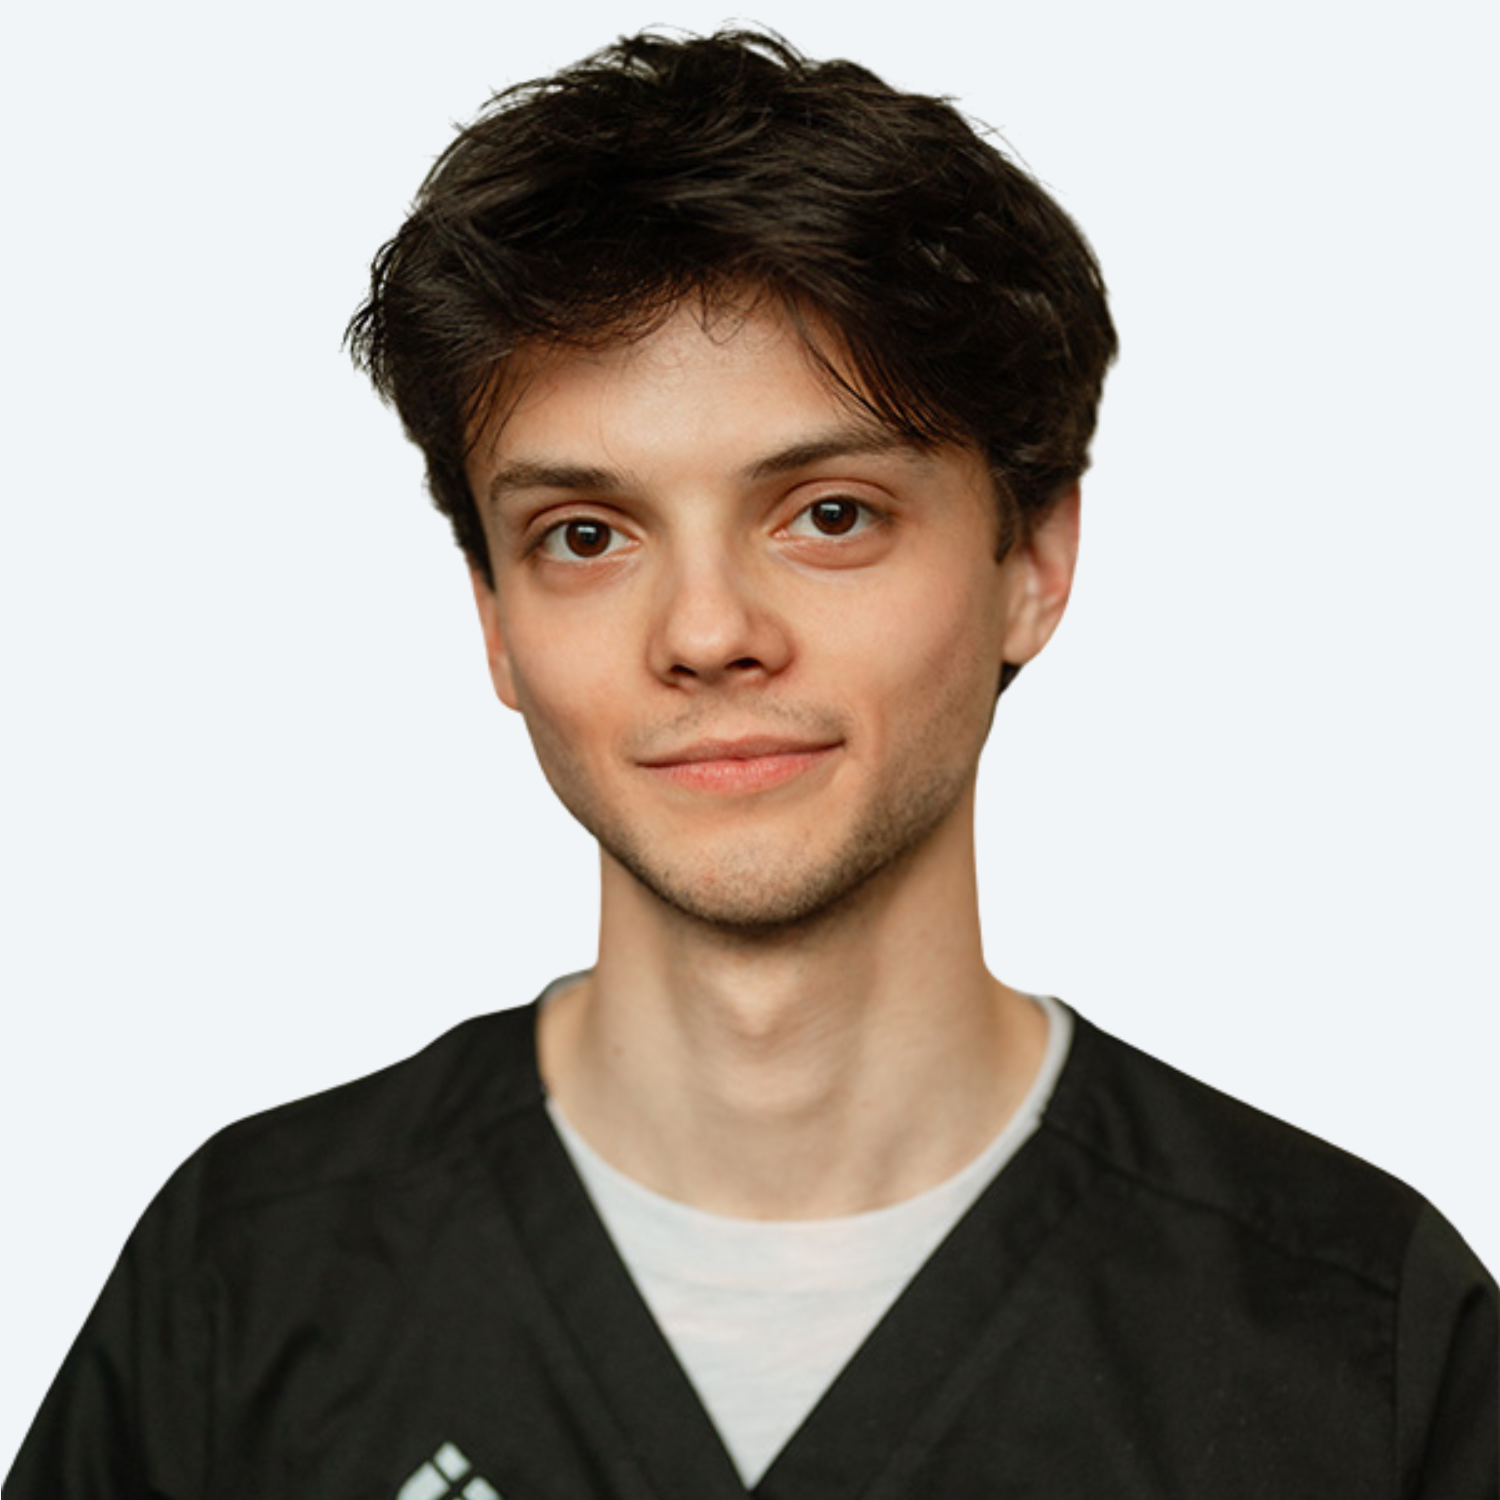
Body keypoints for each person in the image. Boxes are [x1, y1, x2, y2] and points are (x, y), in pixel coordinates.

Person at [7, 27, 1495, 1499]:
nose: (708, 633)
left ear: (1032, 561)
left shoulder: (1362, 1338)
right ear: (497, 623)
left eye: (829, 514)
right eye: (585, 536)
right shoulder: (248, 1282)